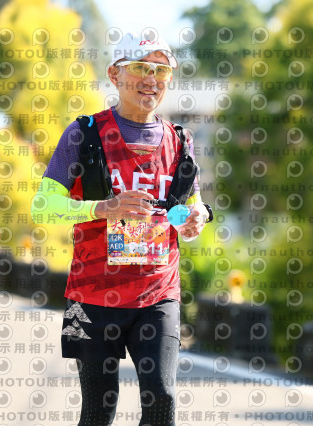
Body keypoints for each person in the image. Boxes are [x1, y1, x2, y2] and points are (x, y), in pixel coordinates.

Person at [31, 32, 212, 426]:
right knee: (98, 412)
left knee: (162, 399)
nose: (152, 79)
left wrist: (197, 217)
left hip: (158, 294)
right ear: (115, 75)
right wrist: (103, 208)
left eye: (161, 71)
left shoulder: (181, 141)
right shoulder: (82, 134)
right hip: (90, 295)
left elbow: (191, 205)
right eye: (141, 68)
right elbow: (42, 207)